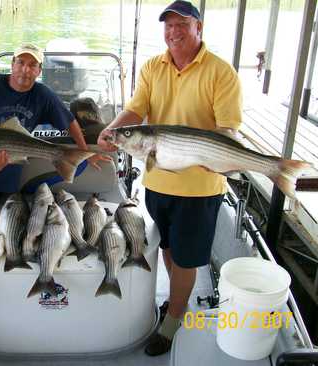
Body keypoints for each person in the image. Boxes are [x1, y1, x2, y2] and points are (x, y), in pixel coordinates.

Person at [97, 0, 242, 356]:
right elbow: (136, 109)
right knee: (168, 248)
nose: (173, 32)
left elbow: (228, 129)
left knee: (187, 257)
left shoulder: (221, 72)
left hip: (199, 187)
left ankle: (174, 319)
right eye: (168, 25)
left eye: (182, 25)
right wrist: (112, 131)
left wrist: (221, 160)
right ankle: (177, 304)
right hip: (158, 181)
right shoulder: (152, 66)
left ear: (198, 29)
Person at [0, 43, 110, 215]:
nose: (25, 70)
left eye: (32, 65)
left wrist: (86, 152)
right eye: (21, 62)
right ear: (12, 64)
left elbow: (70, 122)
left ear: (39, 71)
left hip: (3, 183)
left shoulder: (42, 95)